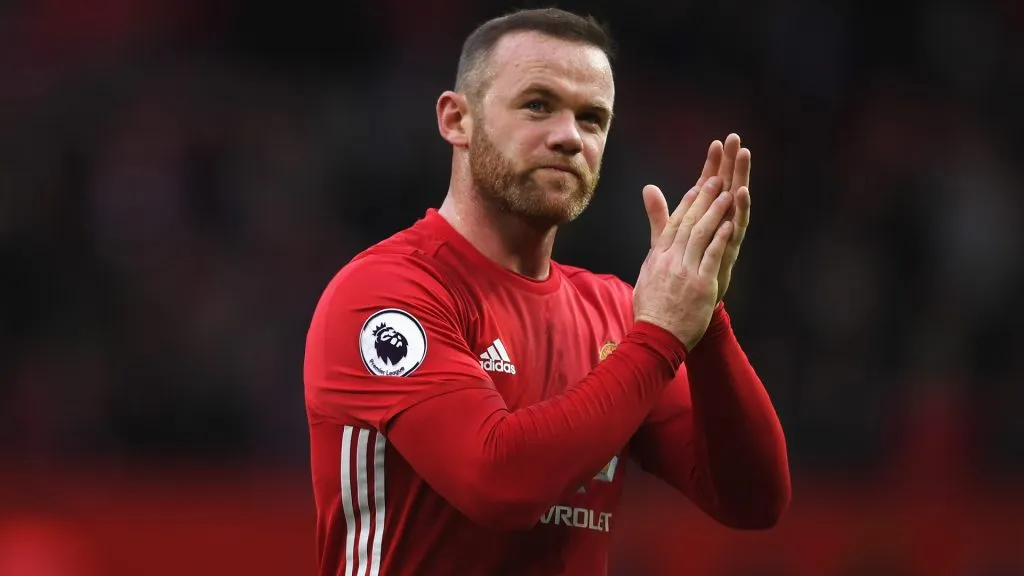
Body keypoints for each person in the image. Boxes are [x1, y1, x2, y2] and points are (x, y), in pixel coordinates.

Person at [304, 7, 791, 576]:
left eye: (592, 119)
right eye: (538, 105)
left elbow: (752, 499)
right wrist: (661, 336)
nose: (568, 137)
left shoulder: (616, 314)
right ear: (456, 120)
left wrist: (705, 322)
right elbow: (498, 483)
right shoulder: (386, 293)